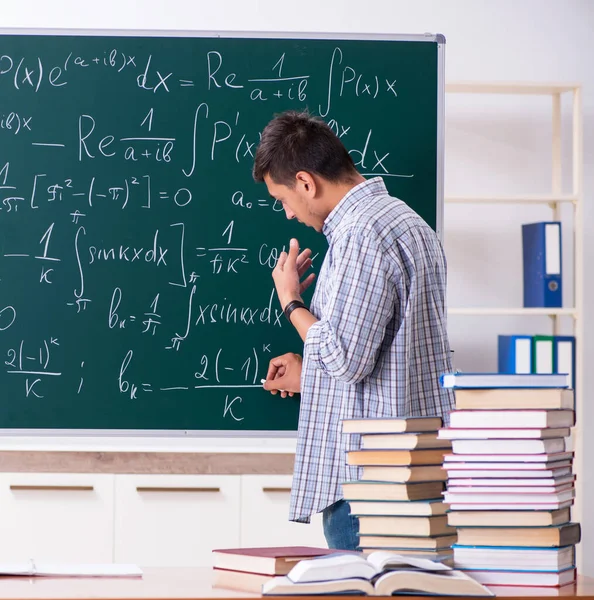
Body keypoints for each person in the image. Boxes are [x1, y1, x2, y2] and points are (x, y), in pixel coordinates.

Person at [253, 110, 455, 551]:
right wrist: (310, 372)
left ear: (306, 182)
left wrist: (291, 302)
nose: (287, 214)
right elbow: (388, 364)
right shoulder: (405, 221)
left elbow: (345, 359)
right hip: (409, 472)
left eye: (283, 199)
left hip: (368, 487)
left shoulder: (361, 234)